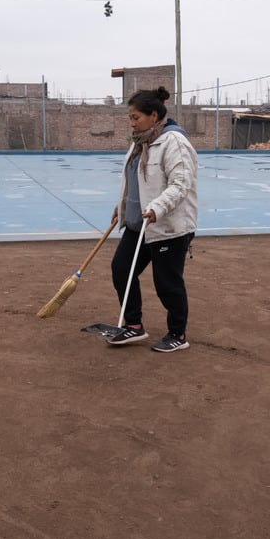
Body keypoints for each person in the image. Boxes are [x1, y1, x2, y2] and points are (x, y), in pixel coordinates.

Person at [106, 87, 198, 353]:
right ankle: (134, 326)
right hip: (140, 223)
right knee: (121, 269)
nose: (131, 122)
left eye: (136, 117)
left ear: (153, 115)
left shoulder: (174, 142)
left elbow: (180, 185)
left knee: (167, 283)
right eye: (130, 117)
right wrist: (123, 205)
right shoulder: (140, 141)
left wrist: (157, 208)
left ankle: (178, 334)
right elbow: (137, 181)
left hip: (167, 226)